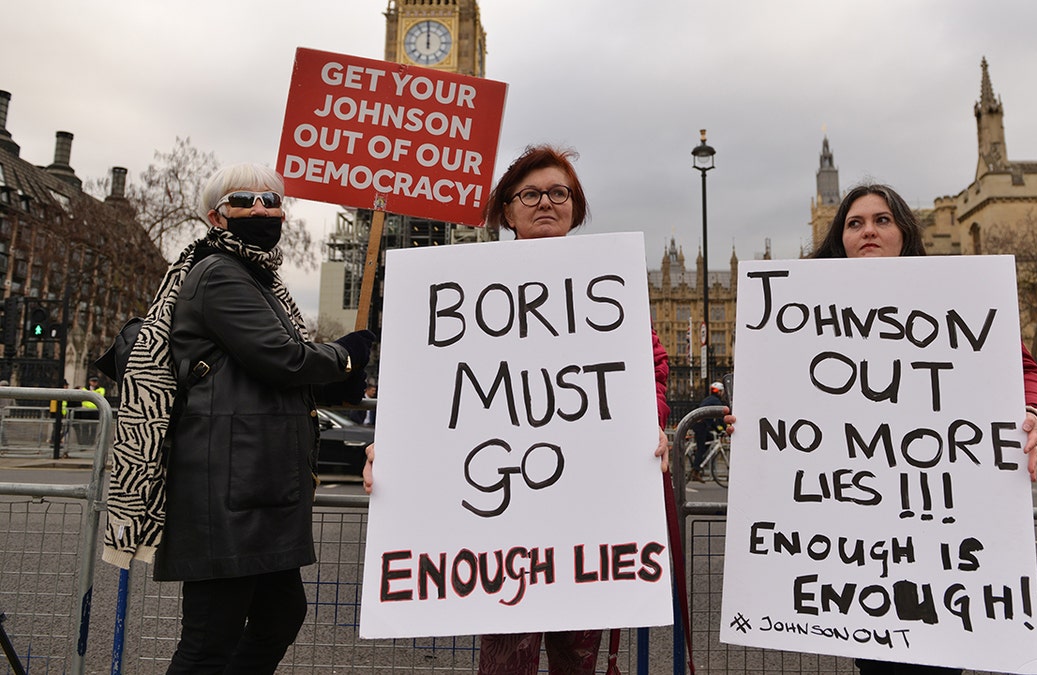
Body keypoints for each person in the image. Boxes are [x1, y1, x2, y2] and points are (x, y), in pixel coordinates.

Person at [362, 145, 670, 675]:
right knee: (508, 661)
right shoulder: (464, 286)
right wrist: (388, 449)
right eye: (530, 193)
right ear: (507, 209)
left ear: (576, 206)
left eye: (559, 193)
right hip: (502, 528)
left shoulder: (604, 287)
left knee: (578, 660)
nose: (545, 202)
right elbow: (429, 389)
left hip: (585, 521)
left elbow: (651, 369)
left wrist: (652, 422)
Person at [727, 183, 1037, 675]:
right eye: (854, 223)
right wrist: (753, 422)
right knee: (878, 660)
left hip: (939, 518)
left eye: (882, 220)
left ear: (904, 230)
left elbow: (1025, 371)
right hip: (858, 527)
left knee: (942, 653)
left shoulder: (954, 295)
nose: (868, 231)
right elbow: (779, 392)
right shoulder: (800, 308)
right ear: (839, 237)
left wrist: (1036, 414)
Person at [102, 163, 375, 673]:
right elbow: (281, 357)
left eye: (272, 201)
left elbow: (274, 370)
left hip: (260, 485)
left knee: (280, 617)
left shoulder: (260, 280)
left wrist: (335, 375)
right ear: (216, 216)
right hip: (226, 488)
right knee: (209, 642)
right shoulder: (219, 273)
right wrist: (343, 355)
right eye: (244, 200)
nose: (261, 209)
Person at [689, 382, 726, 482]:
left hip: (700, 425)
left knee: (709, 438)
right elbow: (719, 418)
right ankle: (695, 471)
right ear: (720, 392)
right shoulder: (716, 402)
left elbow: (709, 419)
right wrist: (723, 429)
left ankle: (697, 456)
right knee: (701, 448)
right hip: (701, 426)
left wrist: (718, 429)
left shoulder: (709, 399)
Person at [74, 374, 105, 447]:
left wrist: (91, 392)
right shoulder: (84, 389)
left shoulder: (101, 389)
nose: (94, 383)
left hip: (95, 410)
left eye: (95, 381)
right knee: (85, 427)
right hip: (86, 410)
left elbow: (100, 396)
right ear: (89, 382)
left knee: (94, 427)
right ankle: (85, 442)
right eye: (93, 381)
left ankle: (91, 442)